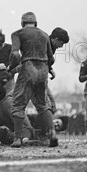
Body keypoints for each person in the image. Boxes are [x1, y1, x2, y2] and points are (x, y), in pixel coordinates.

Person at [8, 12, 57, 148]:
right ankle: (52, 133)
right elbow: (51, 58)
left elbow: (16, 55)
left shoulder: (17, 34)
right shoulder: (44, 34)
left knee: (18, 104)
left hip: (28, 69)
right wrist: (49, 68)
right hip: (43, 71)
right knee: (42, 104)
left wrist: (10, 67)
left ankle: (17, 138)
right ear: (35, 22)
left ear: (22, 23)